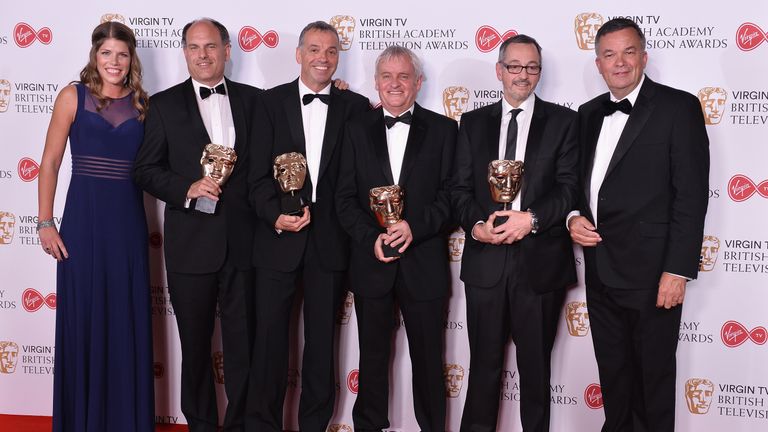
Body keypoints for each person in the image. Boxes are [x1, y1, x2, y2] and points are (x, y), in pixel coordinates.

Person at [568, 18, 709, 432]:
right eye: (610, 55)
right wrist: (573, 217)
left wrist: (678, 269)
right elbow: (578, 184)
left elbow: (691, 195)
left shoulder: (678, 107)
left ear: (643, 56)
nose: (620, 63)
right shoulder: (589, 113)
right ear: (598, 64)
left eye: (629, 52)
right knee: (614, 376)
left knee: (653, 379)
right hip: (600, 267)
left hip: (654, 273)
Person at [133, 18, 261, 432]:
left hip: (244, 245)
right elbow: (145, 170)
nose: (203, 55)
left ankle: (241, 424)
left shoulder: (255, 101)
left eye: (211, 46)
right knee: (195, 347)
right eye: (194, 47)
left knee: (245, 347)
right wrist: (187, 186)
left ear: (227, 50)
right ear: (184, 52)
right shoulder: (164, 105)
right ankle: (202, 425)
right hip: (191, 247)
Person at [451, 34, 578, 432]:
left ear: (539, 72)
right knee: (483, 368)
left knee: (535, 372)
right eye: (515, 66)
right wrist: (476, 227)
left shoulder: (564, 121)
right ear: (499, 71)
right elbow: (458, 189)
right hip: (486, 263)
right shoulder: (472, 123)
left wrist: (532, 219)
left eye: (532, 67)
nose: (523, 75)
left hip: (539, 265)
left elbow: (570, 187)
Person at [246, 20, 369, 432]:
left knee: (321, 346)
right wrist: (272, 214)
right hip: (277, 239)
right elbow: (255, 176)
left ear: (339, 58)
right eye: (314, 49)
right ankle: (263, 424)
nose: (323, 58)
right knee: (269, 343)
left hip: (331, 243)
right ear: (298, 55)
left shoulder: (356, 107)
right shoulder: (268, 103)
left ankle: (314, 425)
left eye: (331, 51)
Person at [37, 21, 153, 432]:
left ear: (131, 58)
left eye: (122, 54)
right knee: (84, 316)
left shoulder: (143, 104)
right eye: (107, 53)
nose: (114, 62)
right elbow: (49, 162)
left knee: (124, 317)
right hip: (82, 223)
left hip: (127, 224)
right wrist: (45, 222)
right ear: (95, 55)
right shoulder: (73, 96)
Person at [336, 45, 456, 432]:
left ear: (418, 83)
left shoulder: (443, 129)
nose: (395, 84)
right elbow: (344, 198)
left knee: (428, 360)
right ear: (376, 82)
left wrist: (415, 228)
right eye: (387, 76)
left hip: (424, 264)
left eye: (404, 76)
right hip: (373, 264)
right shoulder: (355, 130)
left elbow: (452, 197)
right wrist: (371, 238)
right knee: (371, 359)